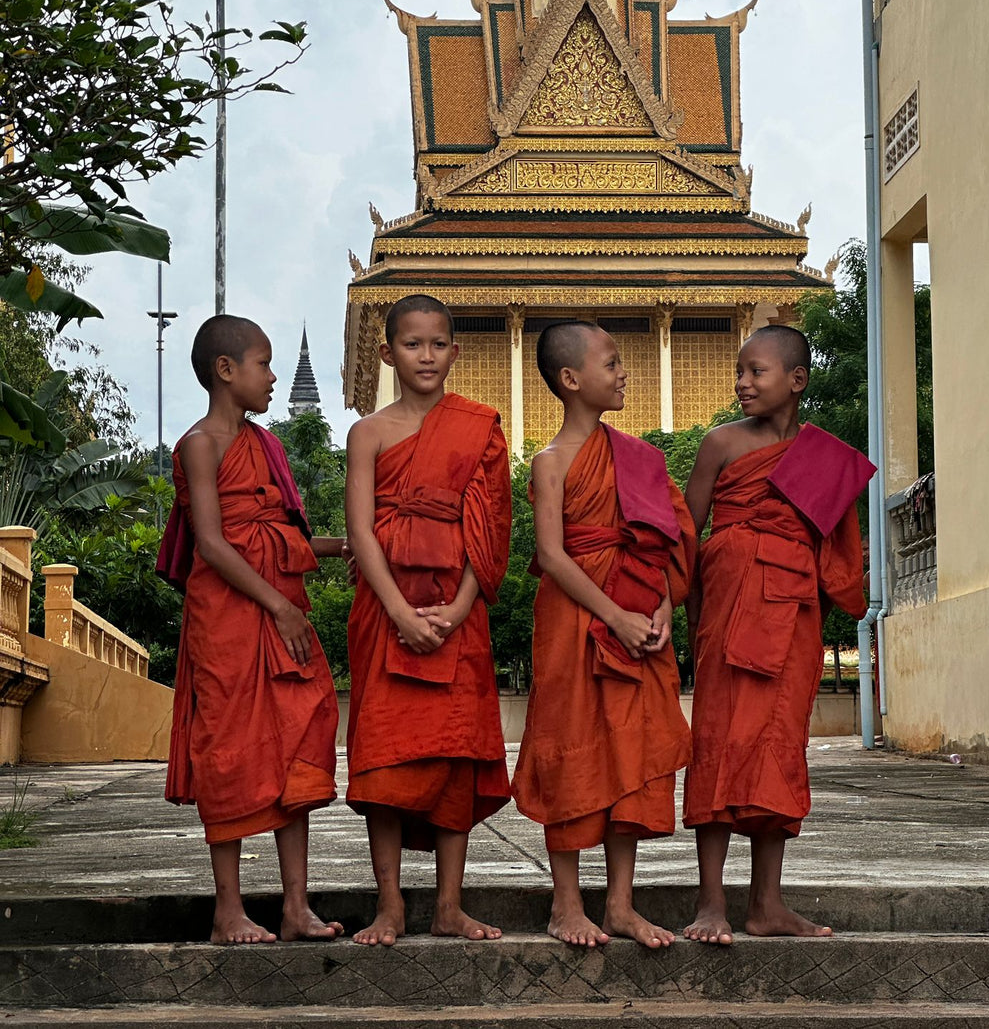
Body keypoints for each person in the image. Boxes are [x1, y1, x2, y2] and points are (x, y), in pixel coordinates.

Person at [681, 325, 873, 942]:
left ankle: (767, 905)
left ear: (796, 380)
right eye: (739, 371)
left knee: (777, 749)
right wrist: (684, 618)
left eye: (756, 372)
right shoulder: (721, 445)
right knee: (716, 742)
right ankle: (711, 903)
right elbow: (686, 537)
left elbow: (835, 551)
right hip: (729, 609)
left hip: (791, 615)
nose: (742, 383)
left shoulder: (824, 457)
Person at [511, 320, 695, 950]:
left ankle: (620, 904)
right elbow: (554, 556)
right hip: (574, 619)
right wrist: (612, 616)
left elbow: (665, 542)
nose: (623, 373)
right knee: (570, 750)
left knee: (633, 756)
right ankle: (566, 905)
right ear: (570, 380)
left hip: (641, 617)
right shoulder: (552, 461)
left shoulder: (640, 458)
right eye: (611, 362)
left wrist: (665, 605)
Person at [162, 315, 342, 945]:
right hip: (232, 618)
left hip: (279, 610)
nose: (270, 378)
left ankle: (296, 908)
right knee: (231, 749)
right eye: (263, 365)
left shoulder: (268, 445)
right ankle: (228, 910)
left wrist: (347, 546)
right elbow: (212, 544)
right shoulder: (200, 444)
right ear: (226, 370)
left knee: (296, 741)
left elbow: (280, 537)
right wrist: (280, 607)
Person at [344, 294, 511, 946]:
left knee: (454, 761)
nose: (426, 355)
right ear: (388, 352)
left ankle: (447, 905)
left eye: (438, 343)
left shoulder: (478, 426)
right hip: (387, 614)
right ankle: (390, 906)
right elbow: (360, 530)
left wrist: (464, 604)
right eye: (413, 344)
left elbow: (490, 527)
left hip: (455, 616)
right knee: (384, 763)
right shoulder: (369, 432)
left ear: (454, 352)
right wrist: (397, 611)